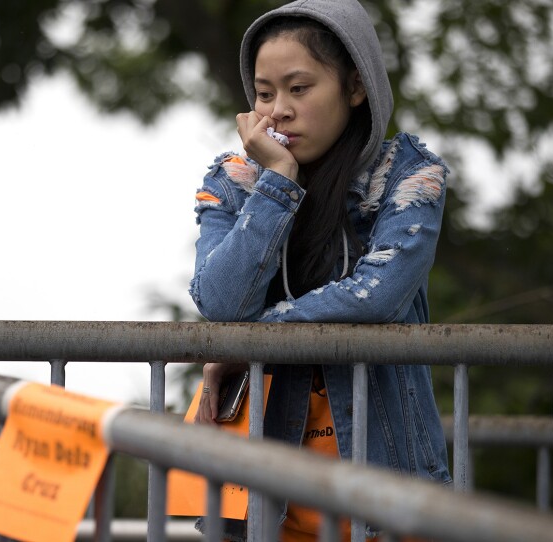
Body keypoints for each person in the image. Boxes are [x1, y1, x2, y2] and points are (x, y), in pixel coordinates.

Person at [189, 0, 453, 540]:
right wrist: (277, 182)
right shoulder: (235, 180)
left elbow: (376, 296)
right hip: (262, 502)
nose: (278, 110)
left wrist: (250, 342)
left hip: (388, 498)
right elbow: (219, 302)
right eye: (264, 93)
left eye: (299, 88)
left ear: (355, 88)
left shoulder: (407, 174)